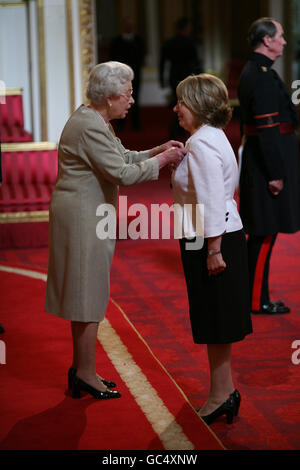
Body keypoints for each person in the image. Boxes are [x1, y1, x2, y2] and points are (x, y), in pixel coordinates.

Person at [45, 61, 186, 400]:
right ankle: (85, 372)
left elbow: (122, 156)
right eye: (127, 94)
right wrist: (165, 161)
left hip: (87, 213)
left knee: (86, 293)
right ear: (108, 97)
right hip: (82, 217)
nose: (132, 100)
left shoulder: (95, 120)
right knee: (87, 294)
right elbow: (122, 173)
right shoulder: (90, 125)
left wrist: (156, 151)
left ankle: (82, 370)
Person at [171, 74, 252, 425]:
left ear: (199, 106)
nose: (176, 108)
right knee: (217, 320)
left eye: (181, 102)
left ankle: (221, 396)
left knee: (215, 320)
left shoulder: (201, 143)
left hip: (209, 238)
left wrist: (213, 250)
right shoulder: (211, 136)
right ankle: (224, 391)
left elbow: (210, 199)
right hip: (216, 234)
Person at [238, 18, 300, 314]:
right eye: (281, 36)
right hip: (266, 167)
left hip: (263, 161)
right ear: (267, 40)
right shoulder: (260, 75)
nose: (284, 42)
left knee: (266, 232)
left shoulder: (259, 71)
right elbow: (267, 129)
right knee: (264, 232)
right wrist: (276, 174)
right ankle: (255, 300)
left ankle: (256, 296)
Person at [159, 17, 202, 139]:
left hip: (174, 77)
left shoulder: (170, 42)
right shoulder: (190, 42)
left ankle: (178, 129)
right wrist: (199, 79)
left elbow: (162, 62)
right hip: (188, 77)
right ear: (187, 28)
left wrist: (162, 79)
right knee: (186, 104)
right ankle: (178, 128)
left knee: (178, 102)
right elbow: (196, 63)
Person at [110, 17, 145, 130]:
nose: (129, 27)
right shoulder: (117, 41)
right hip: (120, 76)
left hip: (135, 75)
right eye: (127, 25)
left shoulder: (138, 40)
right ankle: (121, 124)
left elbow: (142, 57)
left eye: (131, 25)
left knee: (135, 99)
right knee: (120, 98)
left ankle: (136, 124)